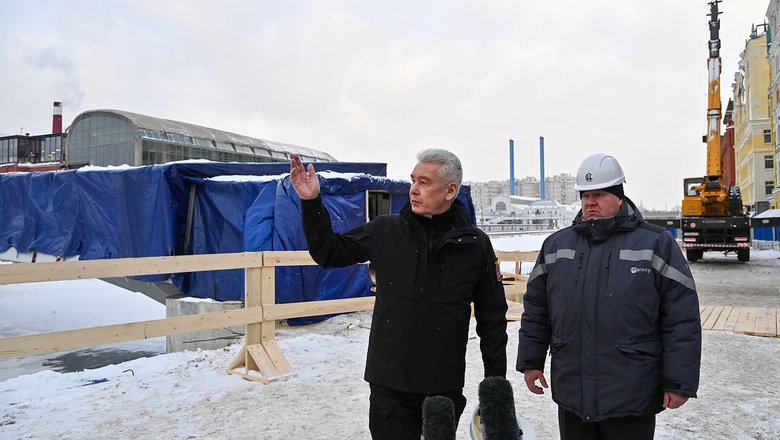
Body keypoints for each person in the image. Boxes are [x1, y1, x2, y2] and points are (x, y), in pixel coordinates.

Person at [290, 148, 508, 439]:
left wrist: (495, 388)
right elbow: (328, 252)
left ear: (450, 190)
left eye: (424, 182)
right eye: (413, 180)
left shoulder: (475, 245)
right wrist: (311, 202)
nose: (413, 190)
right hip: (389, 387)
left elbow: (492, 317)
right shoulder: (386, 231)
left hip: (442, 390)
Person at [516, 153, 701, 440]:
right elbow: (537, 309)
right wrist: (531, 360)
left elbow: (681, 317)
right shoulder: (556, 245)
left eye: (599, 195)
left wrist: (679, 382)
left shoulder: (656, 244)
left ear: (619, 198)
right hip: (573, 392)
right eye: (585, 195)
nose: (590, 202)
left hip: (631, 395)